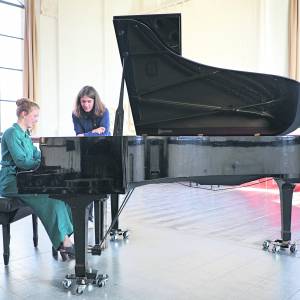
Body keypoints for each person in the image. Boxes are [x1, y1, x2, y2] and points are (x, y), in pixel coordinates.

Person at [0, 98, 74, 260]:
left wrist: (49, 160)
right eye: (35, 116)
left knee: (60, 195)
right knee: (50, 199)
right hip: (12, 181)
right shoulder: (11, 133)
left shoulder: (26, 135)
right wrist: (43, 163)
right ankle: (63, 242)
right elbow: (22, 162)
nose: (36, 119)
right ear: (24, 114)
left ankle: (64, 239)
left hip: (25, 178)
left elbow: (36, 156)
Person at [72, 86, 111, 225]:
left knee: (100, 186)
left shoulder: (104, 111)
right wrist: (95, 131)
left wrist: (87, 134)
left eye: (89, 101)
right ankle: (87, 217)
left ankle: (101, 217)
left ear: (94, 101)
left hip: (104, 152)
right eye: (83, 101)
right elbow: (79, 136)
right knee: (85, 185)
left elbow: (105, 133)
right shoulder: (76, 114)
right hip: (86, 152)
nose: (86, 104)